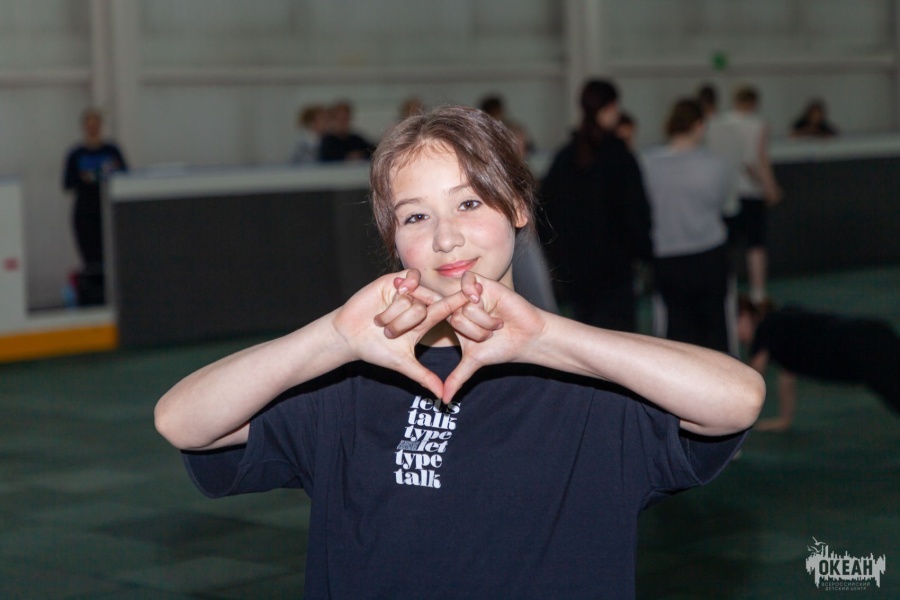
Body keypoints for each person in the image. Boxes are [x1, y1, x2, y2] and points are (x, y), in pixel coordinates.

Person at [155, 106, 764, 598]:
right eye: (415, 217)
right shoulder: (346, 382)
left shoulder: (592, 383)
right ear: (394, 240)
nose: (446, 237)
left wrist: (548, 339)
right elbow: (181, 421)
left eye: (469, 203)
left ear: (518, 206)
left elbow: (737, 399)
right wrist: (332, 339)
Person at [540, 79, 653, 332]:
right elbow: (637, 212)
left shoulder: (565, 157)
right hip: (616, 271)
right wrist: (643, 252)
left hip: (576, 273)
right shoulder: (620, 157)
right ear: (608, 108)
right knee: (619, 341)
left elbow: (545, 211)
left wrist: (559, 259)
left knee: (584, 339)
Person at [642, 99, 735, 353]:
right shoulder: (715, 164)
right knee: (716, 334)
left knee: (676, 339)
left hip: (668, 258)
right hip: (709, 255)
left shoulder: (648, 164)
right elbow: (726, 206)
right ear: (699, 126)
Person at [738, 296, 899, 433]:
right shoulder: (780, 325)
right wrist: (784, 420)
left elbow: (750, 379)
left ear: (744, 316)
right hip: (872, 333)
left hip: (859, 347)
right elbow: (786, 378)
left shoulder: (766, 328)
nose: (737, 337)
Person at [707, 85, 782, 305]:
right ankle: (758, 291)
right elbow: (758, 159)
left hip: (728, 190)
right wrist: (770, 187)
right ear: (754, 102)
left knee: (726, 244)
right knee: (756, 243)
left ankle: (725, 288)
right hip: (751, 191)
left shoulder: (720, 123)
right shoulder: (758, 123)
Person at [62, 107, 128, 305]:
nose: (93, 128)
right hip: (85, 211)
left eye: (95, 124)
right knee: (90, 256)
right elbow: (67, 183)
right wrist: (88, 178)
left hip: (109, 209)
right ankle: (92, 297)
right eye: (89, 124)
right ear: (84, 127)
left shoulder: (111, 151)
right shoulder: (76, 154)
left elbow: (126, 176)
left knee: (111, 253)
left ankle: (114, 296)